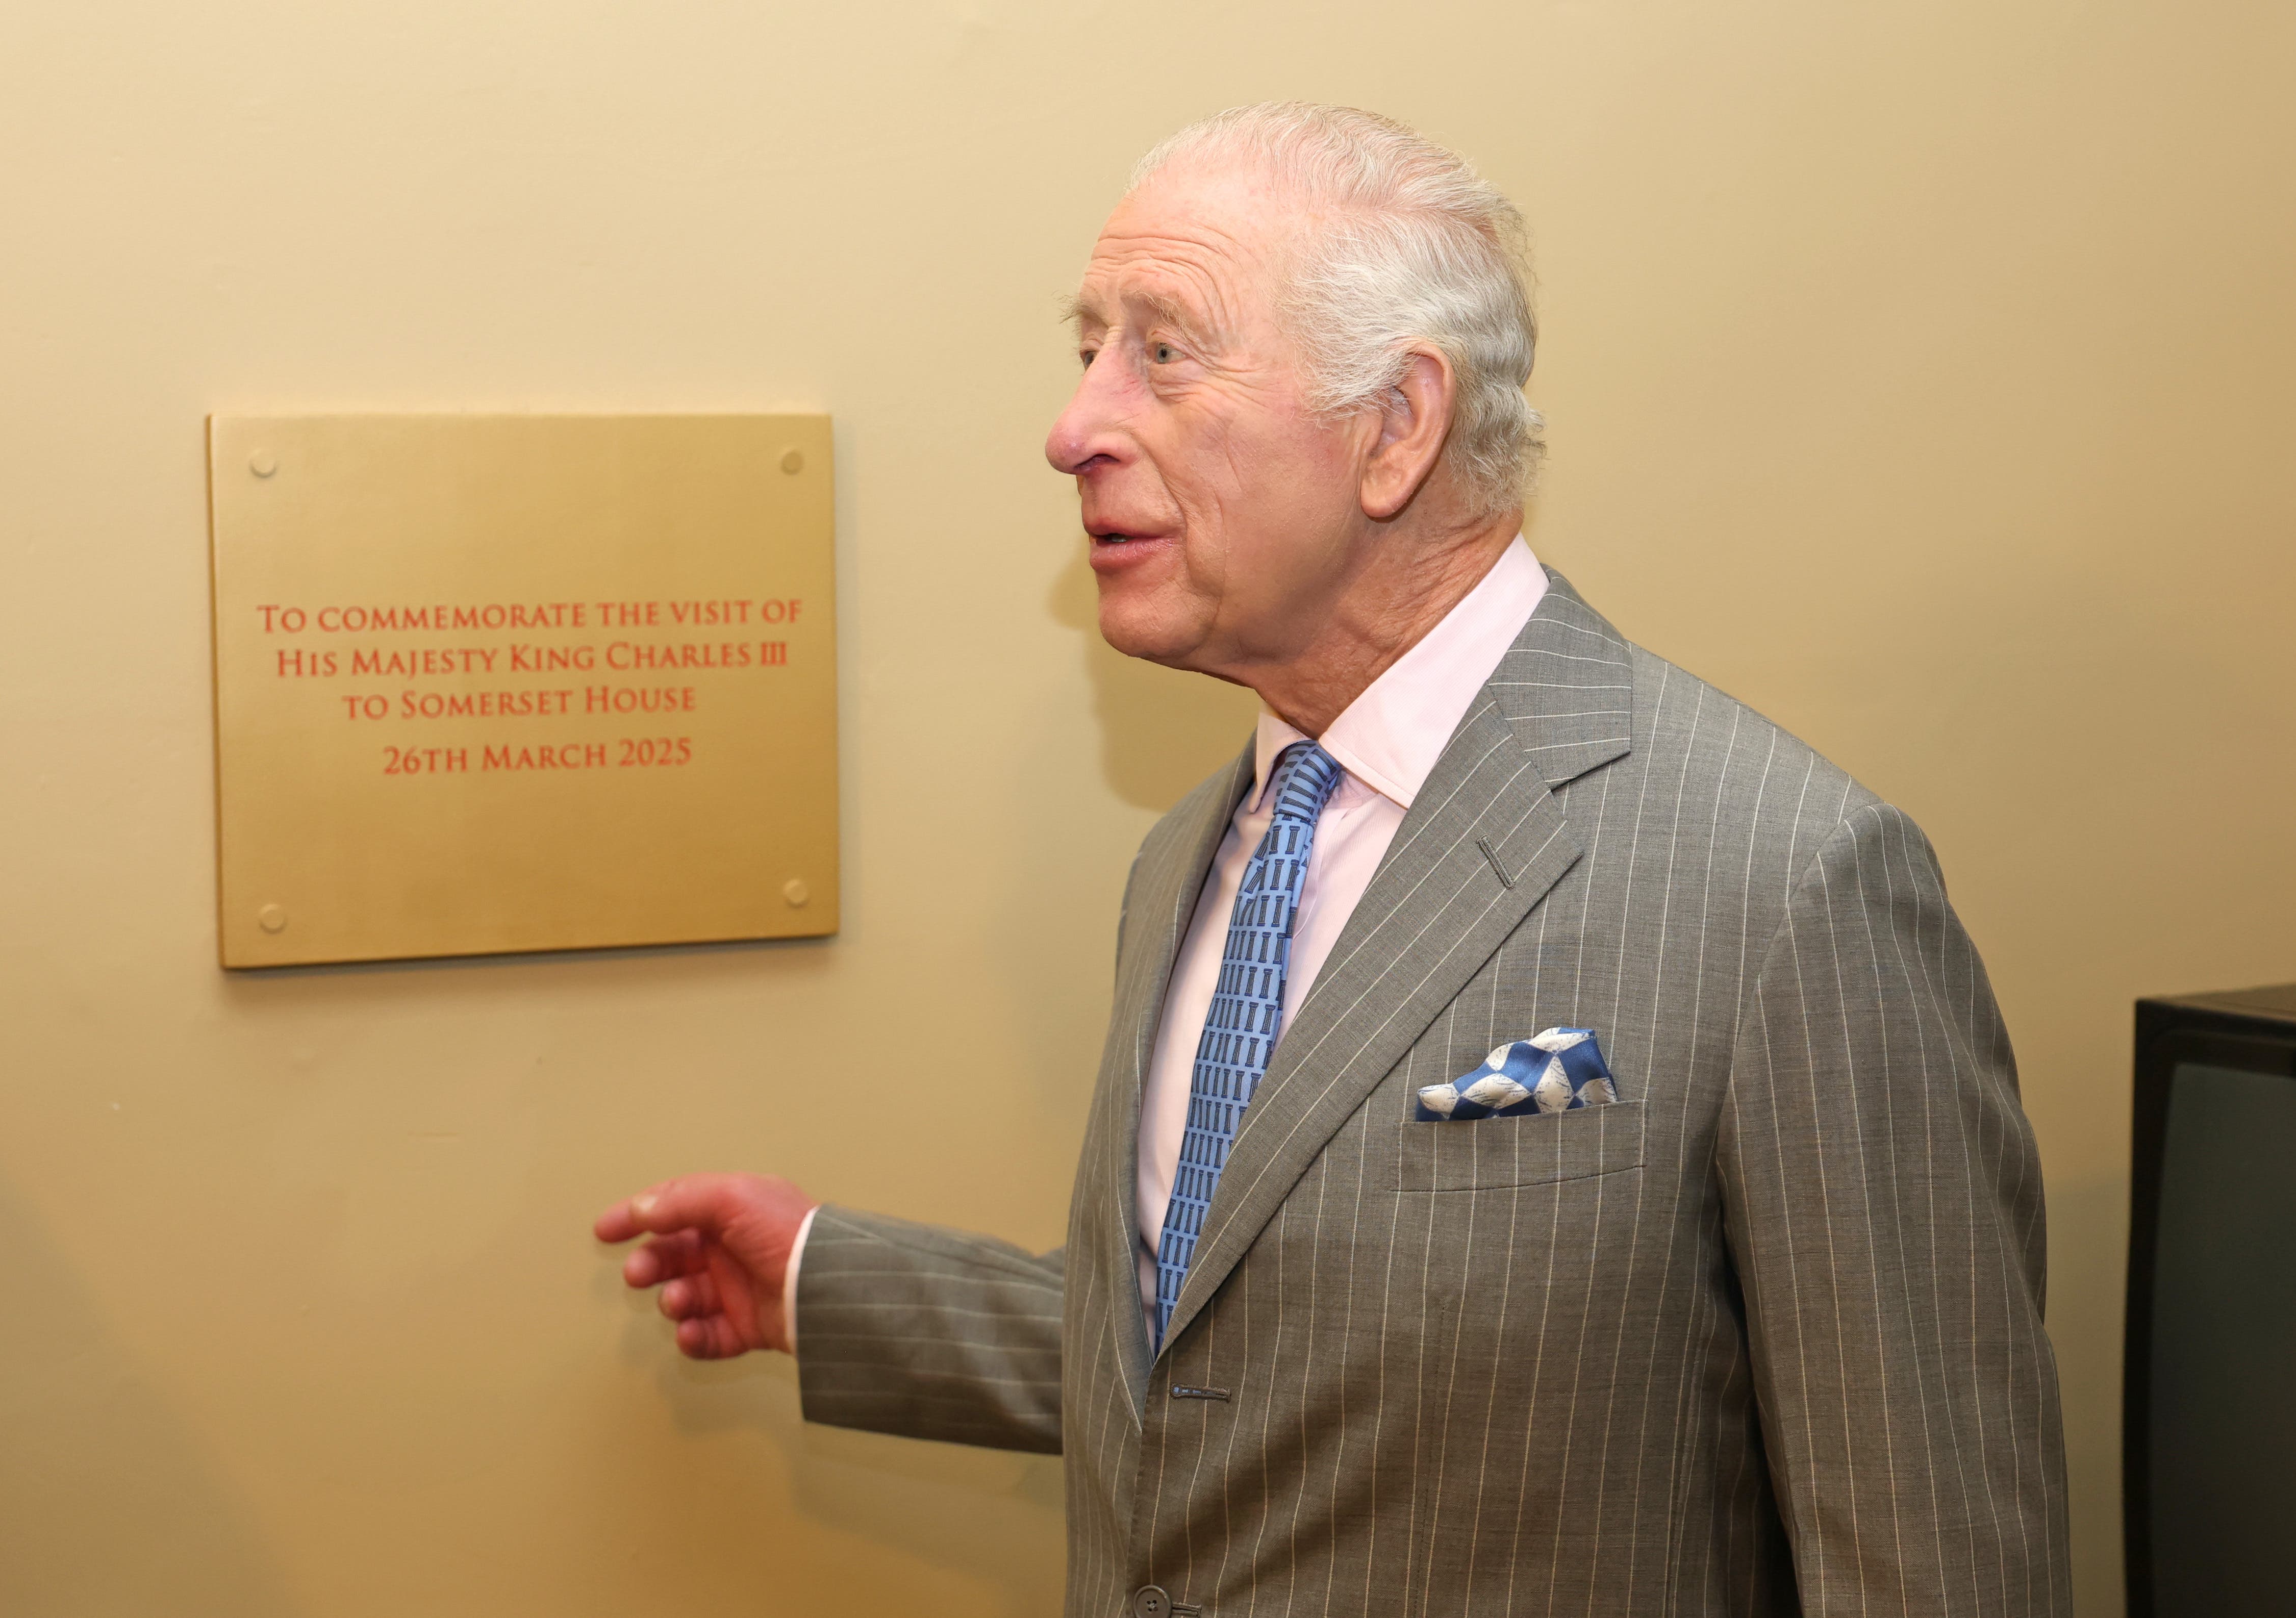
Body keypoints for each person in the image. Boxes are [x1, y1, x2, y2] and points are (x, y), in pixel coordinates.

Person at [594, 102, 2070, 1617]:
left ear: (1396, 426)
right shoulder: (1191, 858)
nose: (1073, 427)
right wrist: (823, 1279)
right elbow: (1244, 1349)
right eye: (1089, 349)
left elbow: (1933, 1557)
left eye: (1163, 352)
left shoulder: (1785, 884)